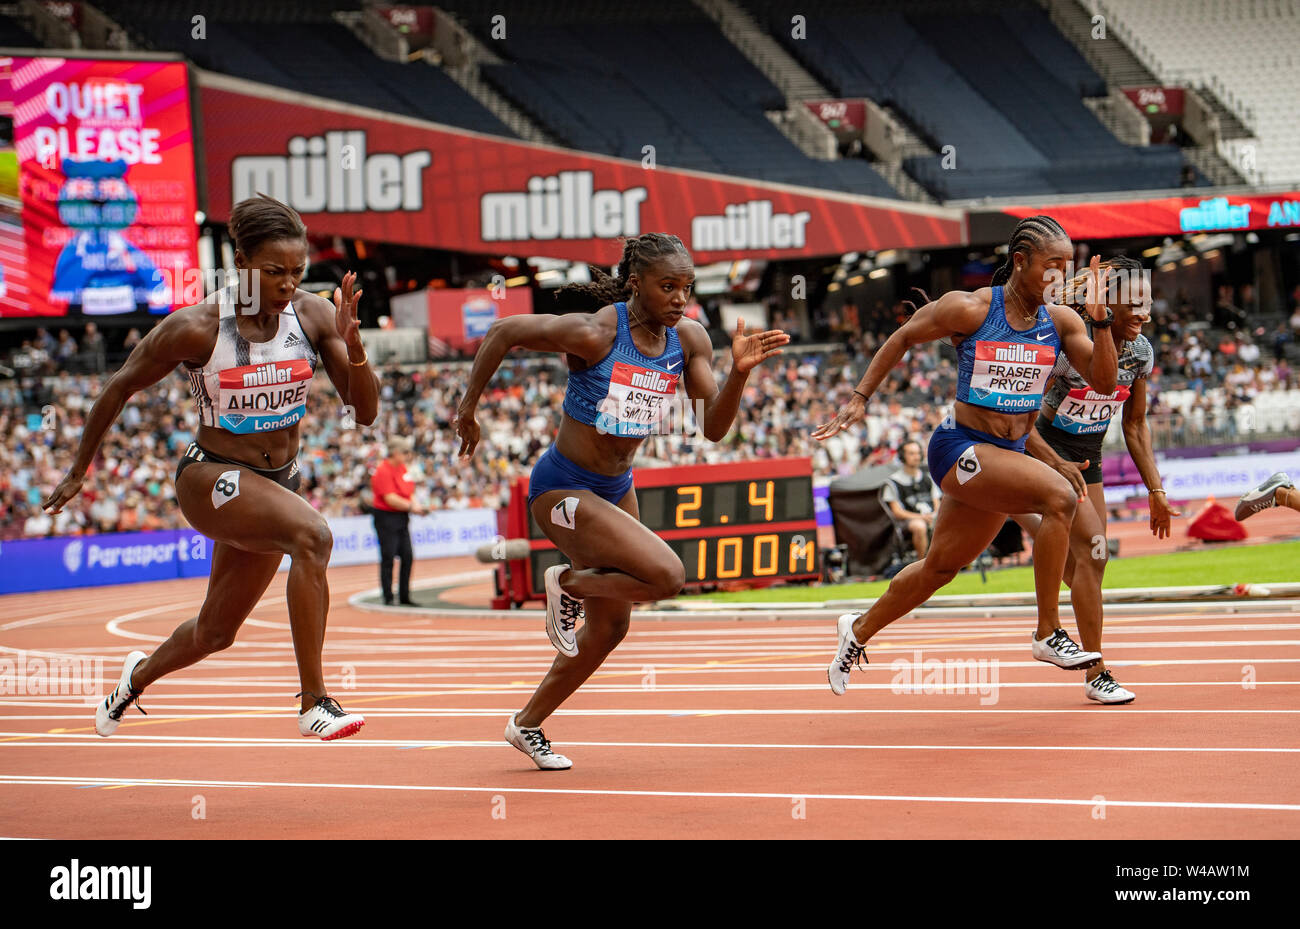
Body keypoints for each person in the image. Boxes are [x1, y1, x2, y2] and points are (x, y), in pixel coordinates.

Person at [42, 194, 380, 741]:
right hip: (209, 478)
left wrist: (353, 342)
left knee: (215, 631)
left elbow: (364, 413)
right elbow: (119, 386)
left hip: (275, 483)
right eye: (275, 272)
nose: (288, 284)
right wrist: (80, 468)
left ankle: (134, 679)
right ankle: (315, 701)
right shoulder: (197, 327)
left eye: (298, 271)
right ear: (242, 264)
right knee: (313, 537)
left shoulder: (315, 315)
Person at [456, 233, 788, 769]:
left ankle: (526, 724)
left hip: (615, 487)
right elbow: (502, 330)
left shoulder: (690, 339)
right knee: (668, 575)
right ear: (636, 284)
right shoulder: (596, 333)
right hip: (562, 487)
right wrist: (468, 409)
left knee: (612, 626)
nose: (681, 299)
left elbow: (713, 429)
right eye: (668, 287)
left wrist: (738, 376)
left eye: (687, 287)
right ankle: (565, 582)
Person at [815, 216, 1118, 696]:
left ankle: (857, 630)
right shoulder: (971, 309)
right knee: (1058, 500)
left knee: (939, 568)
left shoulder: (1062, 322)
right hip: (959, 449)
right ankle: (1046, 631)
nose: (1062, 276)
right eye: (1052, 266)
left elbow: (1104, 382)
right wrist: (860, 397)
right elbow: (903, 337)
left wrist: (1100, 319)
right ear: (1021, 262)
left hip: (1007, 455)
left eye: (1069, 267)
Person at [1017, 257, 1175, 705]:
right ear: (1106, 301)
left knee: (1088, 564)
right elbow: (1019, 414)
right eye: (1135, 305)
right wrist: (1047, 461)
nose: (1144, 315)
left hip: (1090, 458)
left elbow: (1136, 425)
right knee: (1095, 553)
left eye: (1148, 305)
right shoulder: (1070, 339)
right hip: (1048, 449)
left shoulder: (1140, 351)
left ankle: (1030, 518)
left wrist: (1156, 490)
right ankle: (1097, 671)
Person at [371, 434, 422, 606]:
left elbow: (410, 491)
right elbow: (390, 498)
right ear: (394, 452)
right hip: (386, 517)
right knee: (388, 556)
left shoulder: (402, 469)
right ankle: (388, 596)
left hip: (401, 517)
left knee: (407, 556)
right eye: (404, 452)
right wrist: (411, 507)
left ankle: (404, 595)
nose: (407, 455)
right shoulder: (382, 470)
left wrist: (416, 506)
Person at [879, 439, 941, 558]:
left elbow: (937, 502)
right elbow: (897, 512)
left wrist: (933, 515)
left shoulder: (928, 478)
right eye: (911, 454)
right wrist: (922, 517)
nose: (916, 457)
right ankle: (922, 563)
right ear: (902, 456)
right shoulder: (893, 482)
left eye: (918, 453)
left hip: (930, 517)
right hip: (908, 522)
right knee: (919, 526)